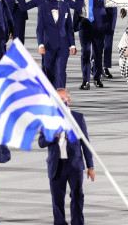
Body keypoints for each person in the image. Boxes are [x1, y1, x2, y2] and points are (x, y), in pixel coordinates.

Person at [38, 88, 95, 225]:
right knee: (57, 199)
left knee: (77, 195)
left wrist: (90, 166)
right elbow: (41, 142)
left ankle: (77, 222)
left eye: (62, 100)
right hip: (56, 165)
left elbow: (85, 143)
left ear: (68, 101)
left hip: (74, 164)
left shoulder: (78, 118)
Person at [37, 0, 77, 88]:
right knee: (49, 71)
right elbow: (40, 28)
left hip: (63, 45)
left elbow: (69, 27)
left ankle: (61, 96)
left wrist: (72, 45)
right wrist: (40, 45)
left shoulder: (65, 6)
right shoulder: (43, 7)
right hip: (48, 46)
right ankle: (50, 94)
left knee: (61, 70)